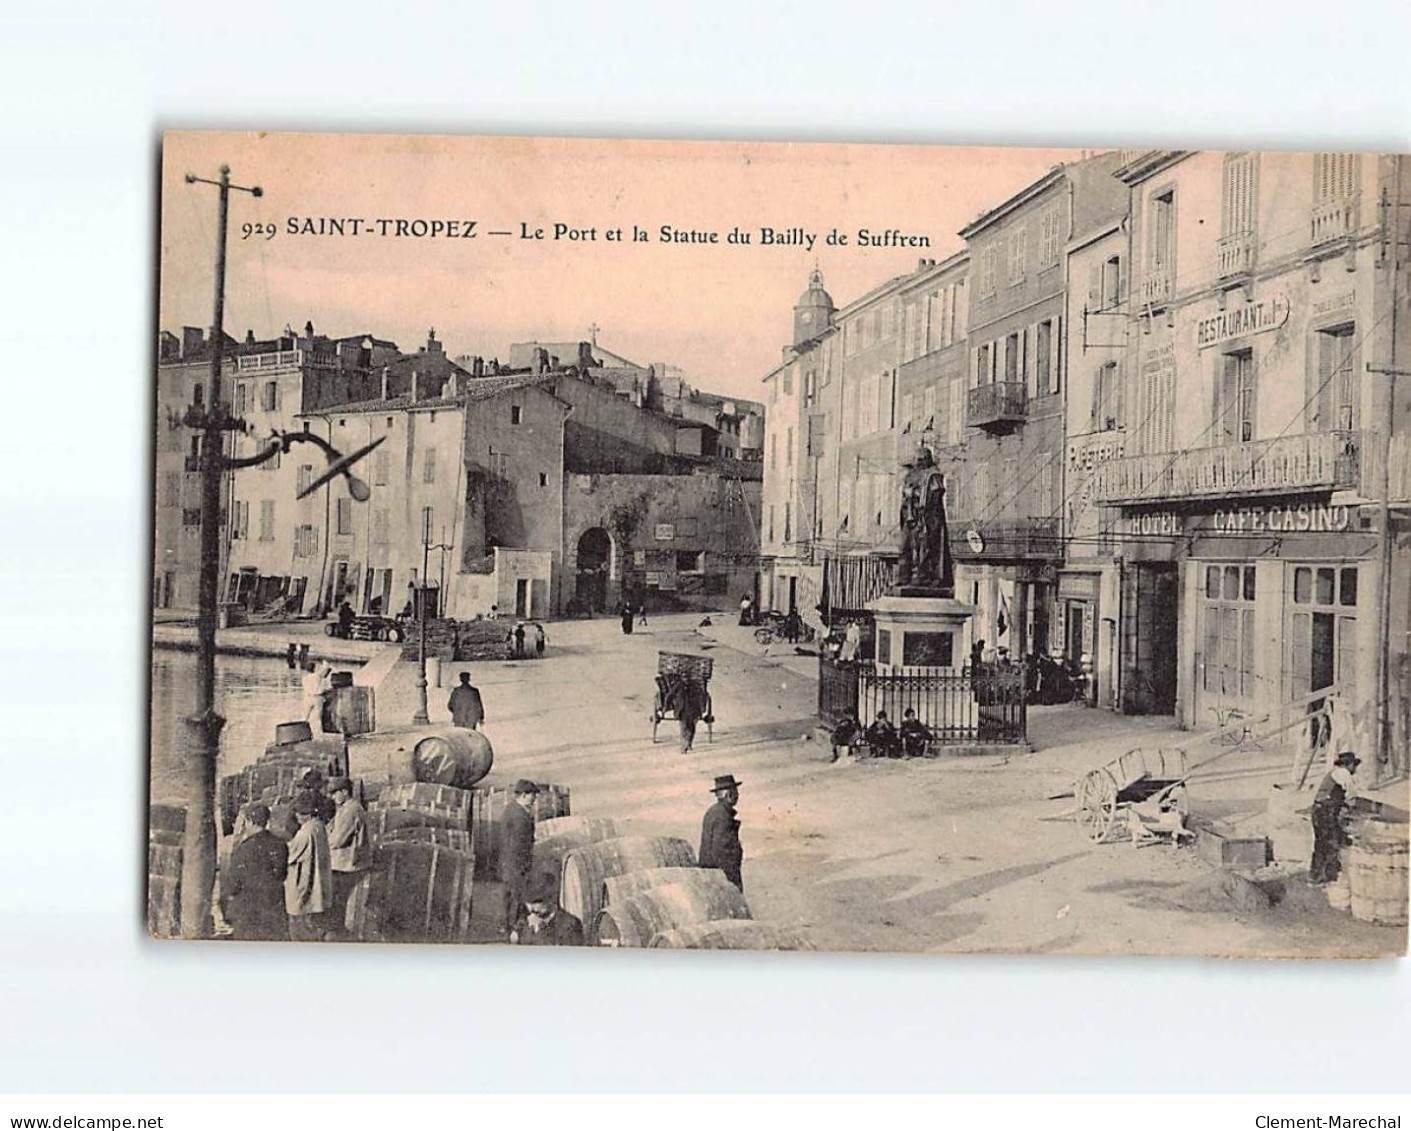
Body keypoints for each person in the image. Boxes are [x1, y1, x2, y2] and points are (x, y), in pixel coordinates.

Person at [220, 803, 288, 941]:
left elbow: (232, 885)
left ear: (249, 822)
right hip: (273, 908)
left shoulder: (243, 849)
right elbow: (282, 874)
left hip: (248, 912)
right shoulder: (280, 844)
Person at [285, 790, 333, 942]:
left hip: (304, 891)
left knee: (301, 932)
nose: (297, 816)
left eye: (300, 812)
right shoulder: (319, 826)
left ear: (309, 813)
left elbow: (290, 854)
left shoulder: (305, 831)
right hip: (318, 890)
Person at [326, 776, 370, 937]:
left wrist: (324, 842)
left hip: (347, 865)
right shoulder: (346, 808)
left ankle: (339, 935)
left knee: (340, 903)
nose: (332, 797)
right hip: (344, 863)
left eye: (334, 793)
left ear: (345, 792)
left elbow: (337, 840)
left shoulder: (351, 810)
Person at [1309, 751, 1360, 885]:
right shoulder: (1344, 774)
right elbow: (1351, 796)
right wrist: (1349, 809)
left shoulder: (1334, 773)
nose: (1355, 769)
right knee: (1332, 843)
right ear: (1348, 765)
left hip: (1318, 810)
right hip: (1327, 812)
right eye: (1354, 765)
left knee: (1320, 844)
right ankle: (1331, 878)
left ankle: (1315, 876)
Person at [500, 779, 539, 937]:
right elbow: (520, 846)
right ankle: (514, 930)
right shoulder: (521, 817)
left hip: (507, 862)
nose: (534, 799)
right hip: (517, 864)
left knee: (508, 896)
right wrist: (525, 866)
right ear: (523, 795)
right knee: (517, 896)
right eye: (532, 796)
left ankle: (505, 926)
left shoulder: (510, 809)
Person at [512, 870, 584, 946]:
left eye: (536, 902)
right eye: (528, 903)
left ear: (550, 899)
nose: (531, 909)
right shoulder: (524, 924)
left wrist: (539, 930)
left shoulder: (570, 925)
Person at [699, 774, 744, 891]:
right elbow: (722, 851)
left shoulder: (715, 811)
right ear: (728, 794)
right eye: (735, 792)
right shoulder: (723, 817)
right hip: (722, 877)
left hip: (712, 875)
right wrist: (732, 883)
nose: (737, 796)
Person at [667, 677, 704, 754]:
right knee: (683, 729)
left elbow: (701, 698)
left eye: (687, 678)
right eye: (684, 678)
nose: (686, 680)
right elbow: (670, 695)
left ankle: (689, 742)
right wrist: (667, 706)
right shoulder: (678, 686)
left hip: (693, 711)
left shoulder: (694, 688)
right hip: (682, 711)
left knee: (691, 729)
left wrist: (700, 711)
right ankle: (684, 746)